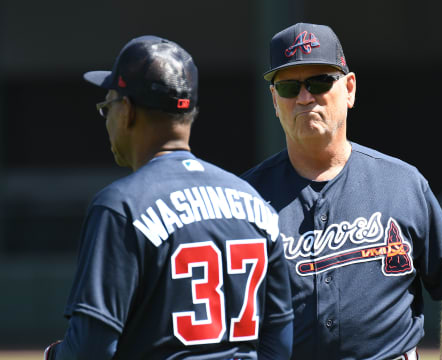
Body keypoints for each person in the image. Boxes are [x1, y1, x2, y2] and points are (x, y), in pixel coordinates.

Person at [241, 23, 442, 360]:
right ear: (274, 100)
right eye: (288, 86)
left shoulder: (402, 184)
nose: (304, 97)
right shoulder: (245, 200)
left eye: (320, 81)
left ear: (350, 89)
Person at [44, 35, 293, 360]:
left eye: (108, 106)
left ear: (128, 112)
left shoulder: (121, 206)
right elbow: (280, 342)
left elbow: (91, 349)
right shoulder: (255, 205)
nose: (107, 119)